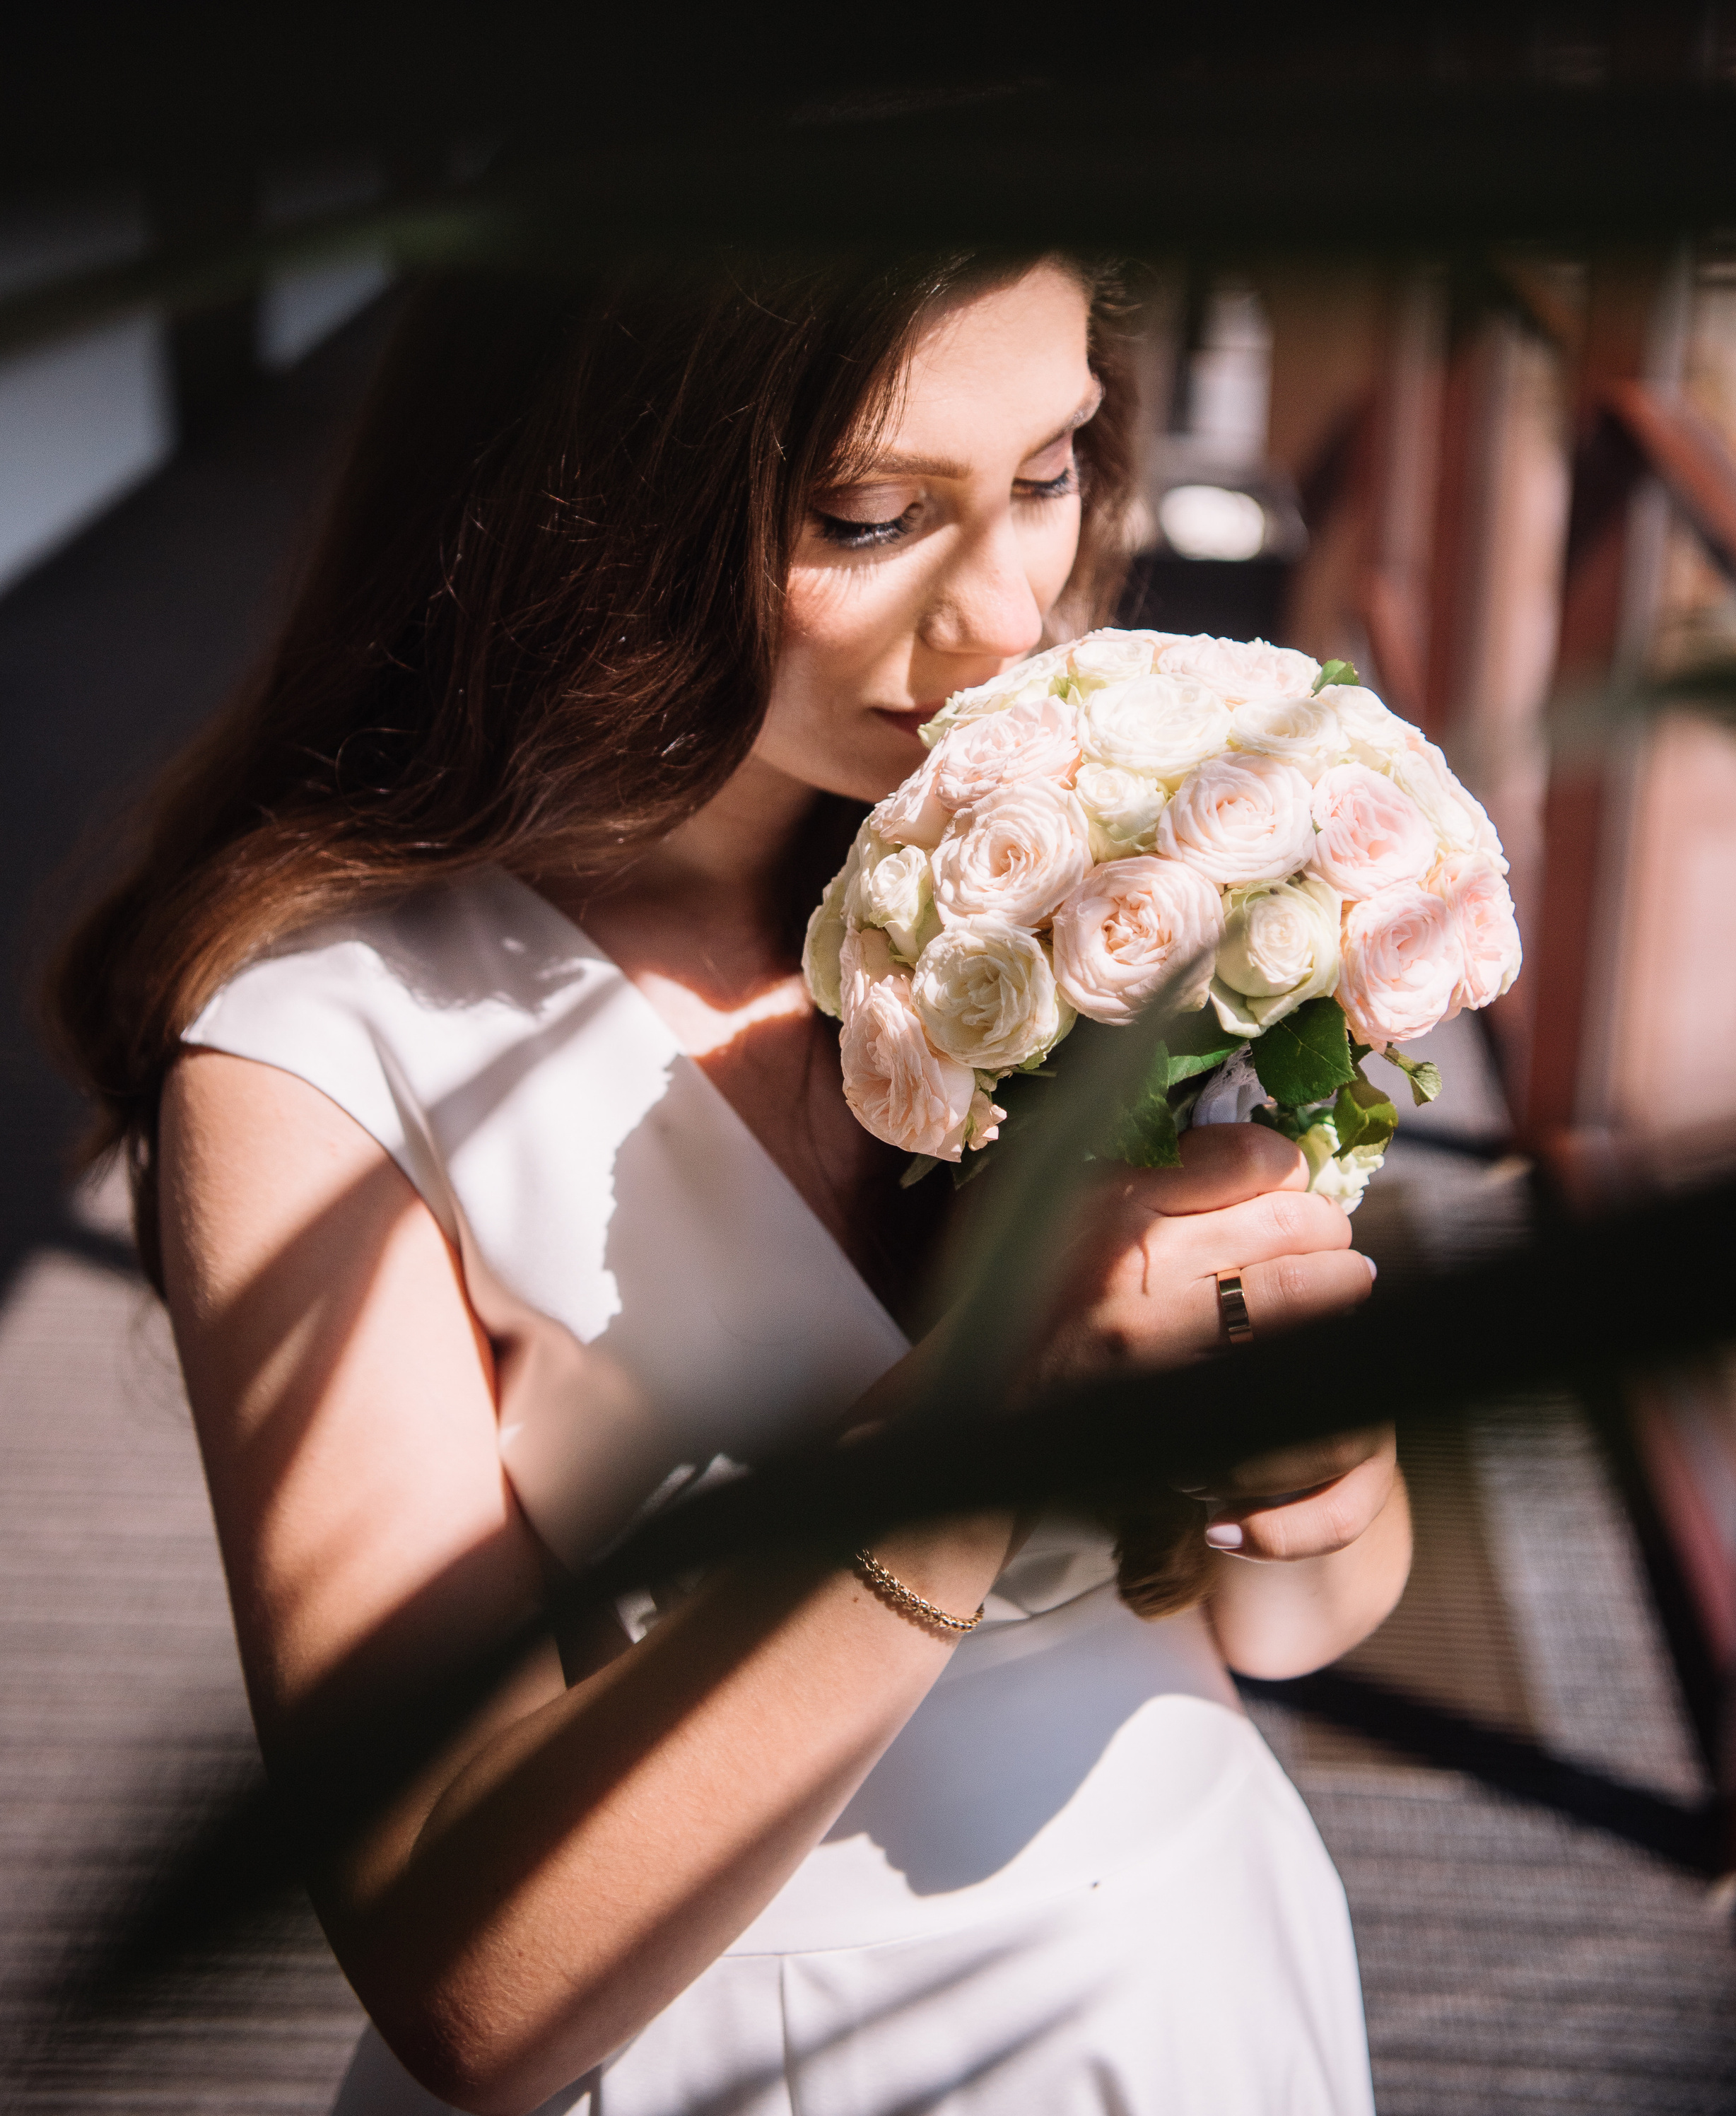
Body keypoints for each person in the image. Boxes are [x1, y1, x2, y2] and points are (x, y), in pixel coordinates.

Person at [51, 250, 1410, 2115]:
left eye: (1047, 473)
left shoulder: (1098, 873)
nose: (1008, 615)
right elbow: (467, 1988)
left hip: (1193, 1974)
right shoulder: (325, 1050)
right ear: (595, 489)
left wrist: (1318, 1475)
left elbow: (1283, 1621)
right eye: (868, 516)